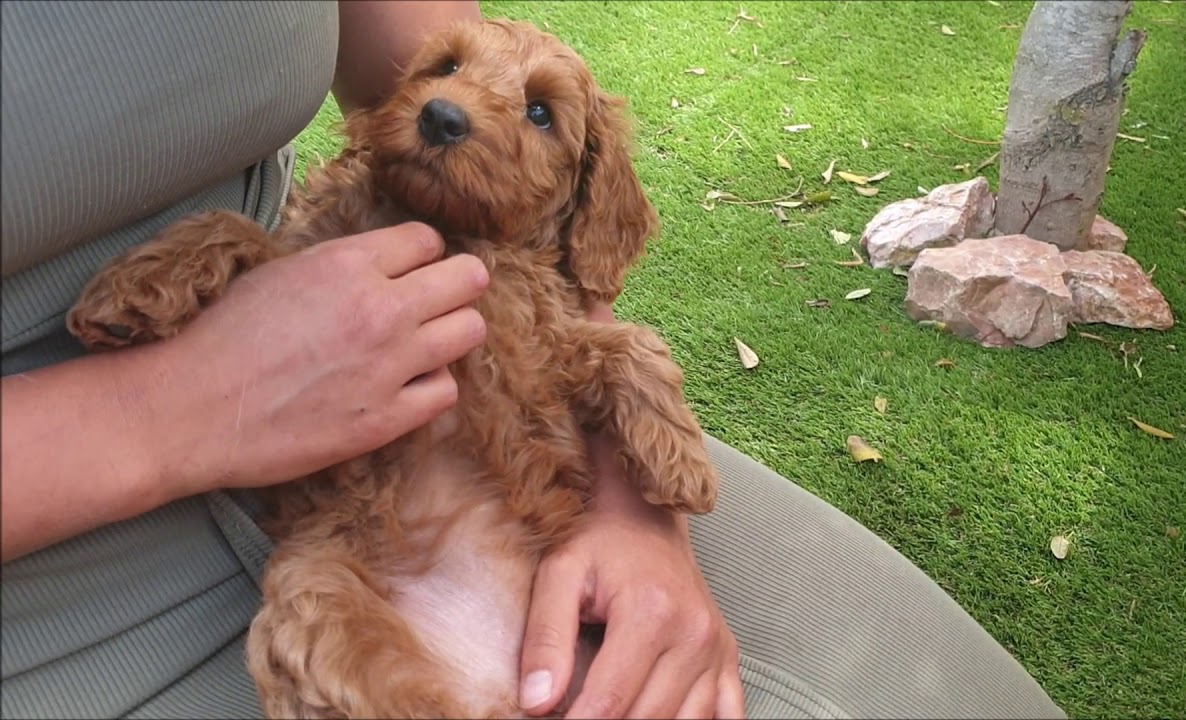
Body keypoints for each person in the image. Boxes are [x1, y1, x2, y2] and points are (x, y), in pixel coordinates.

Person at [0, 2, 1067, 718]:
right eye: (449, 84)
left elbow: (446, 67)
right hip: (83, 601)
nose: (454, 104)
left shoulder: (450, 188)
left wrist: (623, 502)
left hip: (471, 460)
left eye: (535, 111)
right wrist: (171, 408)